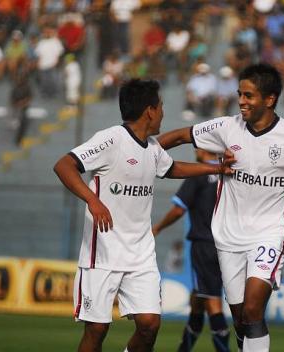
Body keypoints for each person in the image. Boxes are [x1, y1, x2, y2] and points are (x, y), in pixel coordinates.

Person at [157, 63, 284, 352]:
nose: (241, 101)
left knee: (253, 310)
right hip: (227, 238)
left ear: (270, 99)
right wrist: (141, 151)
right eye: (240, 94)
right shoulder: (227, 127)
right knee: (241, 319)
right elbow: (180, 136)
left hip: (268, 234)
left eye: (249, 96)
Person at [53, 79, 235, 352]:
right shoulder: (111, 139)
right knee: (97, 329)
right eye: (160, 106)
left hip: (140, 254)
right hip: (102, 254)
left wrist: (216, 169)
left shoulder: (152, 148)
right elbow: (64, 165)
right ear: (150, 110)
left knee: (149, 324)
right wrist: (92, 200)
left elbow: (172, 168)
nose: (163, 111)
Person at [153, 149, 230, 352]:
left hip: (205, 245)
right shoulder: (229, 173)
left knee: (212, 302)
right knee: (198, 300)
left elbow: (179, 208)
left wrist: (157, 228)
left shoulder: (199, 174)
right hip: (228, 246)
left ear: (206, 149)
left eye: (197, 145)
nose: (194, 149)